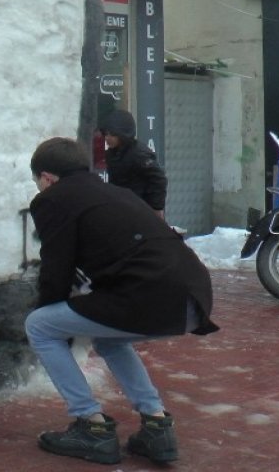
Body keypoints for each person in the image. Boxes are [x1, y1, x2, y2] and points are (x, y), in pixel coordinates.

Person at [25, 137, 218, 465]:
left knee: (40, 326)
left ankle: (91, 427)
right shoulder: (116, 192)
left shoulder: (53, 199)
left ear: (46, 178)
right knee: (110, 340)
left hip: (149, 296)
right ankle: (157, 426)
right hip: (193, 296)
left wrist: (53, 312)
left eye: (38, 182)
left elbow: (56, 269)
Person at [100, 109, 167, 218]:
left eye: (112, 135)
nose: (107, 138)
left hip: (140, 208)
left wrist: (156, 208)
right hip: (122, 207)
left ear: (122, 134)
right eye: (106, 134)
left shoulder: (138, 154)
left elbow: (158, 179)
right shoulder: (112, 154)